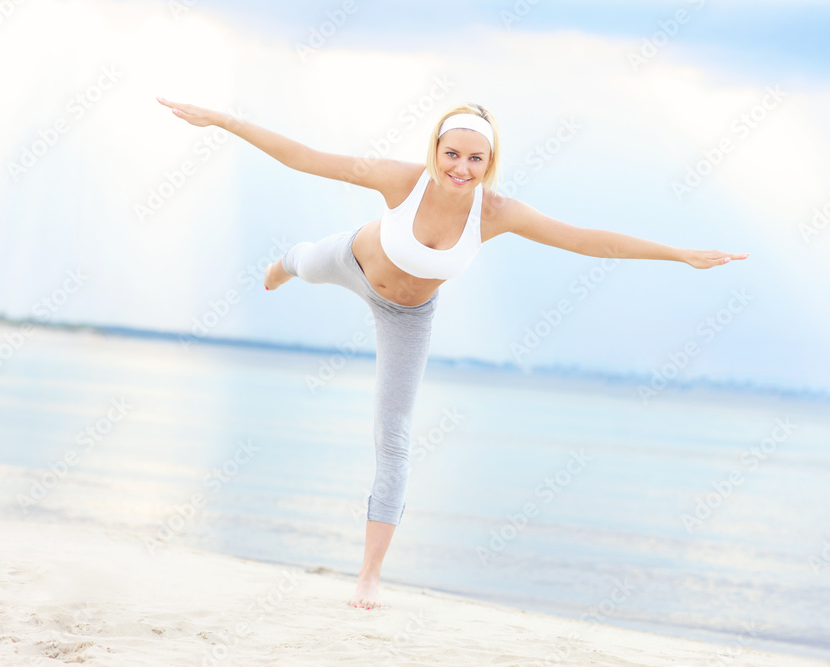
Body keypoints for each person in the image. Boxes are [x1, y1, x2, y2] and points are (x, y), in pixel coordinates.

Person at [156, 96, 748, 610]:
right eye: (452, 154)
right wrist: (219, 120)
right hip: (351, 261)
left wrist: (679, 253)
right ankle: (287, 261)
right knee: (305, 263)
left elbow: (587, 241)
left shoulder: (497, 213)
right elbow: (306, 158)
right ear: (435, 150)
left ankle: (369, 574)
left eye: (476, 158)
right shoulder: (400, 179)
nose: (462, 168)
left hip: (406, 314)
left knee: (394, 436)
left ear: (490, 163)